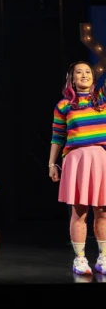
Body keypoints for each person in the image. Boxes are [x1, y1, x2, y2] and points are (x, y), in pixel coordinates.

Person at [49, 61, 106, 275]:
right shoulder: (64, 105)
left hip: (101, 159)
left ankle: (103, 257)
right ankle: (80, 259)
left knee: (103, 212)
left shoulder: (102, 99)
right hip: (76, 160)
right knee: (79, 212)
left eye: (88, 72)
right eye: (78, 72)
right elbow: (57, 137)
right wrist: (52, 163)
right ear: (72, 79)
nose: (84, 75)